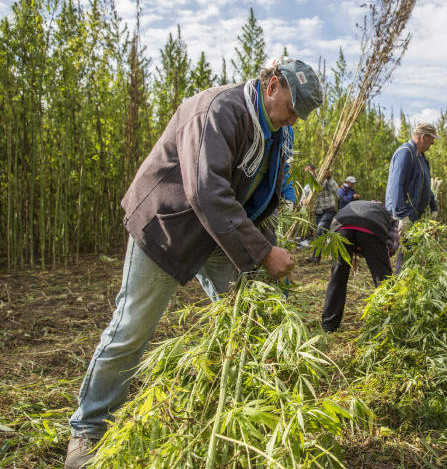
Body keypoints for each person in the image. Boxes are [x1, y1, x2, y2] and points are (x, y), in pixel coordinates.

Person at [64, 57, 323, 469]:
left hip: (218, 234)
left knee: (246, 319)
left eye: (299, 116)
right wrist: (262, 253)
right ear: (272, 85)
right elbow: (205, 190)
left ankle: (238, 412)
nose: (294, 121)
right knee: (132, 328)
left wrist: (267, 260)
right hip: (168, 227)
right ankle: (87, 430)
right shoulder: (219, 110)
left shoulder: (274, 131)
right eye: (293, 109)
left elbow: (262, 201)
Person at [321, 200, 398, 333]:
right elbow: (392, 244)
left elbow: (334, 238)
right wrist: (374, 255)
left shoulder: (350, 206)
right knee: (383, 277)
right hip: (372, 227)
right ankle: (390, 318)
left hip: (340, 226)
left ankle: (329, 324)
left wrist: (352, 252)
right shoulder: (388, 215)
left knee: (337, 275)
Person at [385, 122, 439, 271]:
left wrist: (433, 206)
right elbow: (396, 186)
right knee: (404, 252)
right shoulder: (405, 153)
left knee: (411, 254)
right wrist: (402, 217)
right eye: (432, 139)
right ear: (423, 137)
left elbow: (425, 185)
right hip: (405, 214)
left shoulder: (421, 157)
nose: (433, 143)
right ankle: (399, 285)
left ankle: (407, 283)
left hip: (415, 215)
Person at [300, 164, 338, 263]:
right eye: (306, 173)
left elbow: (335, 189)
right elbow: (302, 200)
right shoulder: (307, 187)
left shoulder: (325, 182)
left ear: (314, 171)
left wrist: (329, 177)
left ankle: (316, 257)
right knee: (330, 235)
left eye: (310, 171)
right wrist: (303, 201)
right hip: (318, 214)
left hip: (329, 211)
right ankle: (333, 257)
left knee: (320, 233)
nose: (308, 174)